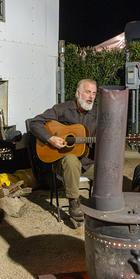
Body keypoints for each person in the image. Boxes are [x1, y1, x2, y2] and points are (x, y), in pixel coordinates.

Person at [28, 78, 98, 221]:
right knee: (71, 158)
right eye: (87, 92)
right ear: (78, 93)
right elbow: (35, 123)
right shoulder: (62, 109)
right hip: (62, 163)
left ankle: (101, 204)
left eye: (94, 93)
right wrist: (50, 138)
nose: (91, 96)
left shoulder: (98, 115)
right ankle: (74, 203)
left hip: (87, 163)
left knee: (109, 169)